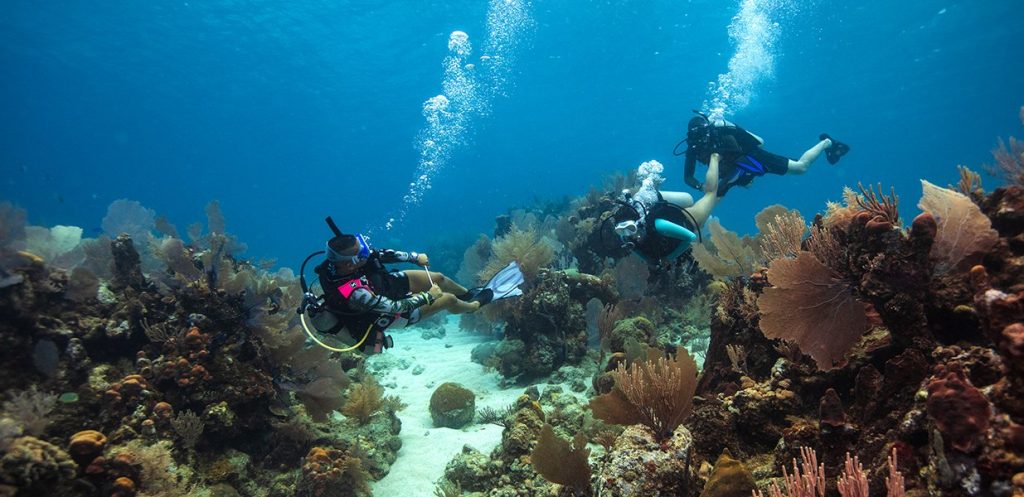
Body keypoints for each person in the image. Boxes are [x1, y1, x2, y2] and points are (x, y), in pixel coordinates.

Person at [298, 219, 524, 353]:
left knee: (439, 278)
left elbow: (383, 254)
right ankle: (477, 303)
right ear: (349, 264)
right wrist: (427, 297)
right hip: (390, 314)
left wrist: (414, 257)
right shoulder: (353, 292)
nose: (368, 253)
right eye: (362, 253)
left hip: (384, 285)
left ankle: (469, 293)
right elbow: (393, 307)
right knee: (447, 299)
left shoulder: (348, 261)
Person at [680, 112, 850, 197]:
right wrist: (700, 187)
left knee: (800, 167)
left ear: (709, 130)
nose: (701, 140)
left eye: (703, 135)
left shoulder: (722, 132)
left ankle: (827, 142)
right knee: (719, 191)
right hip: (737, 167)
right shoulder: (693, 146)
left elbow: (747, 149)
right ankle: (745, 177)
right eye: (696, 137)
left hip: (752, 156)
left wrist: (730, 180)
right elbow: (688, 176)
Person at [611, 154, 723, 264]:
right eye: (621, 231)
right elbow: (649, 259)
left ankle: (715, 157)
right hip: (670, 207)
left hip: (686, 217)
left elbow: (690, 237)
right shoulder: (626, 238)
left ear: (638, 222)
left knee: (711, 193)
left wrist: (668, 259)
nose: (629, 234)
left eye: (631, 228)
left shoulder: (658, 225)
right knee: (693, 200)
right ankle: (679, 198)